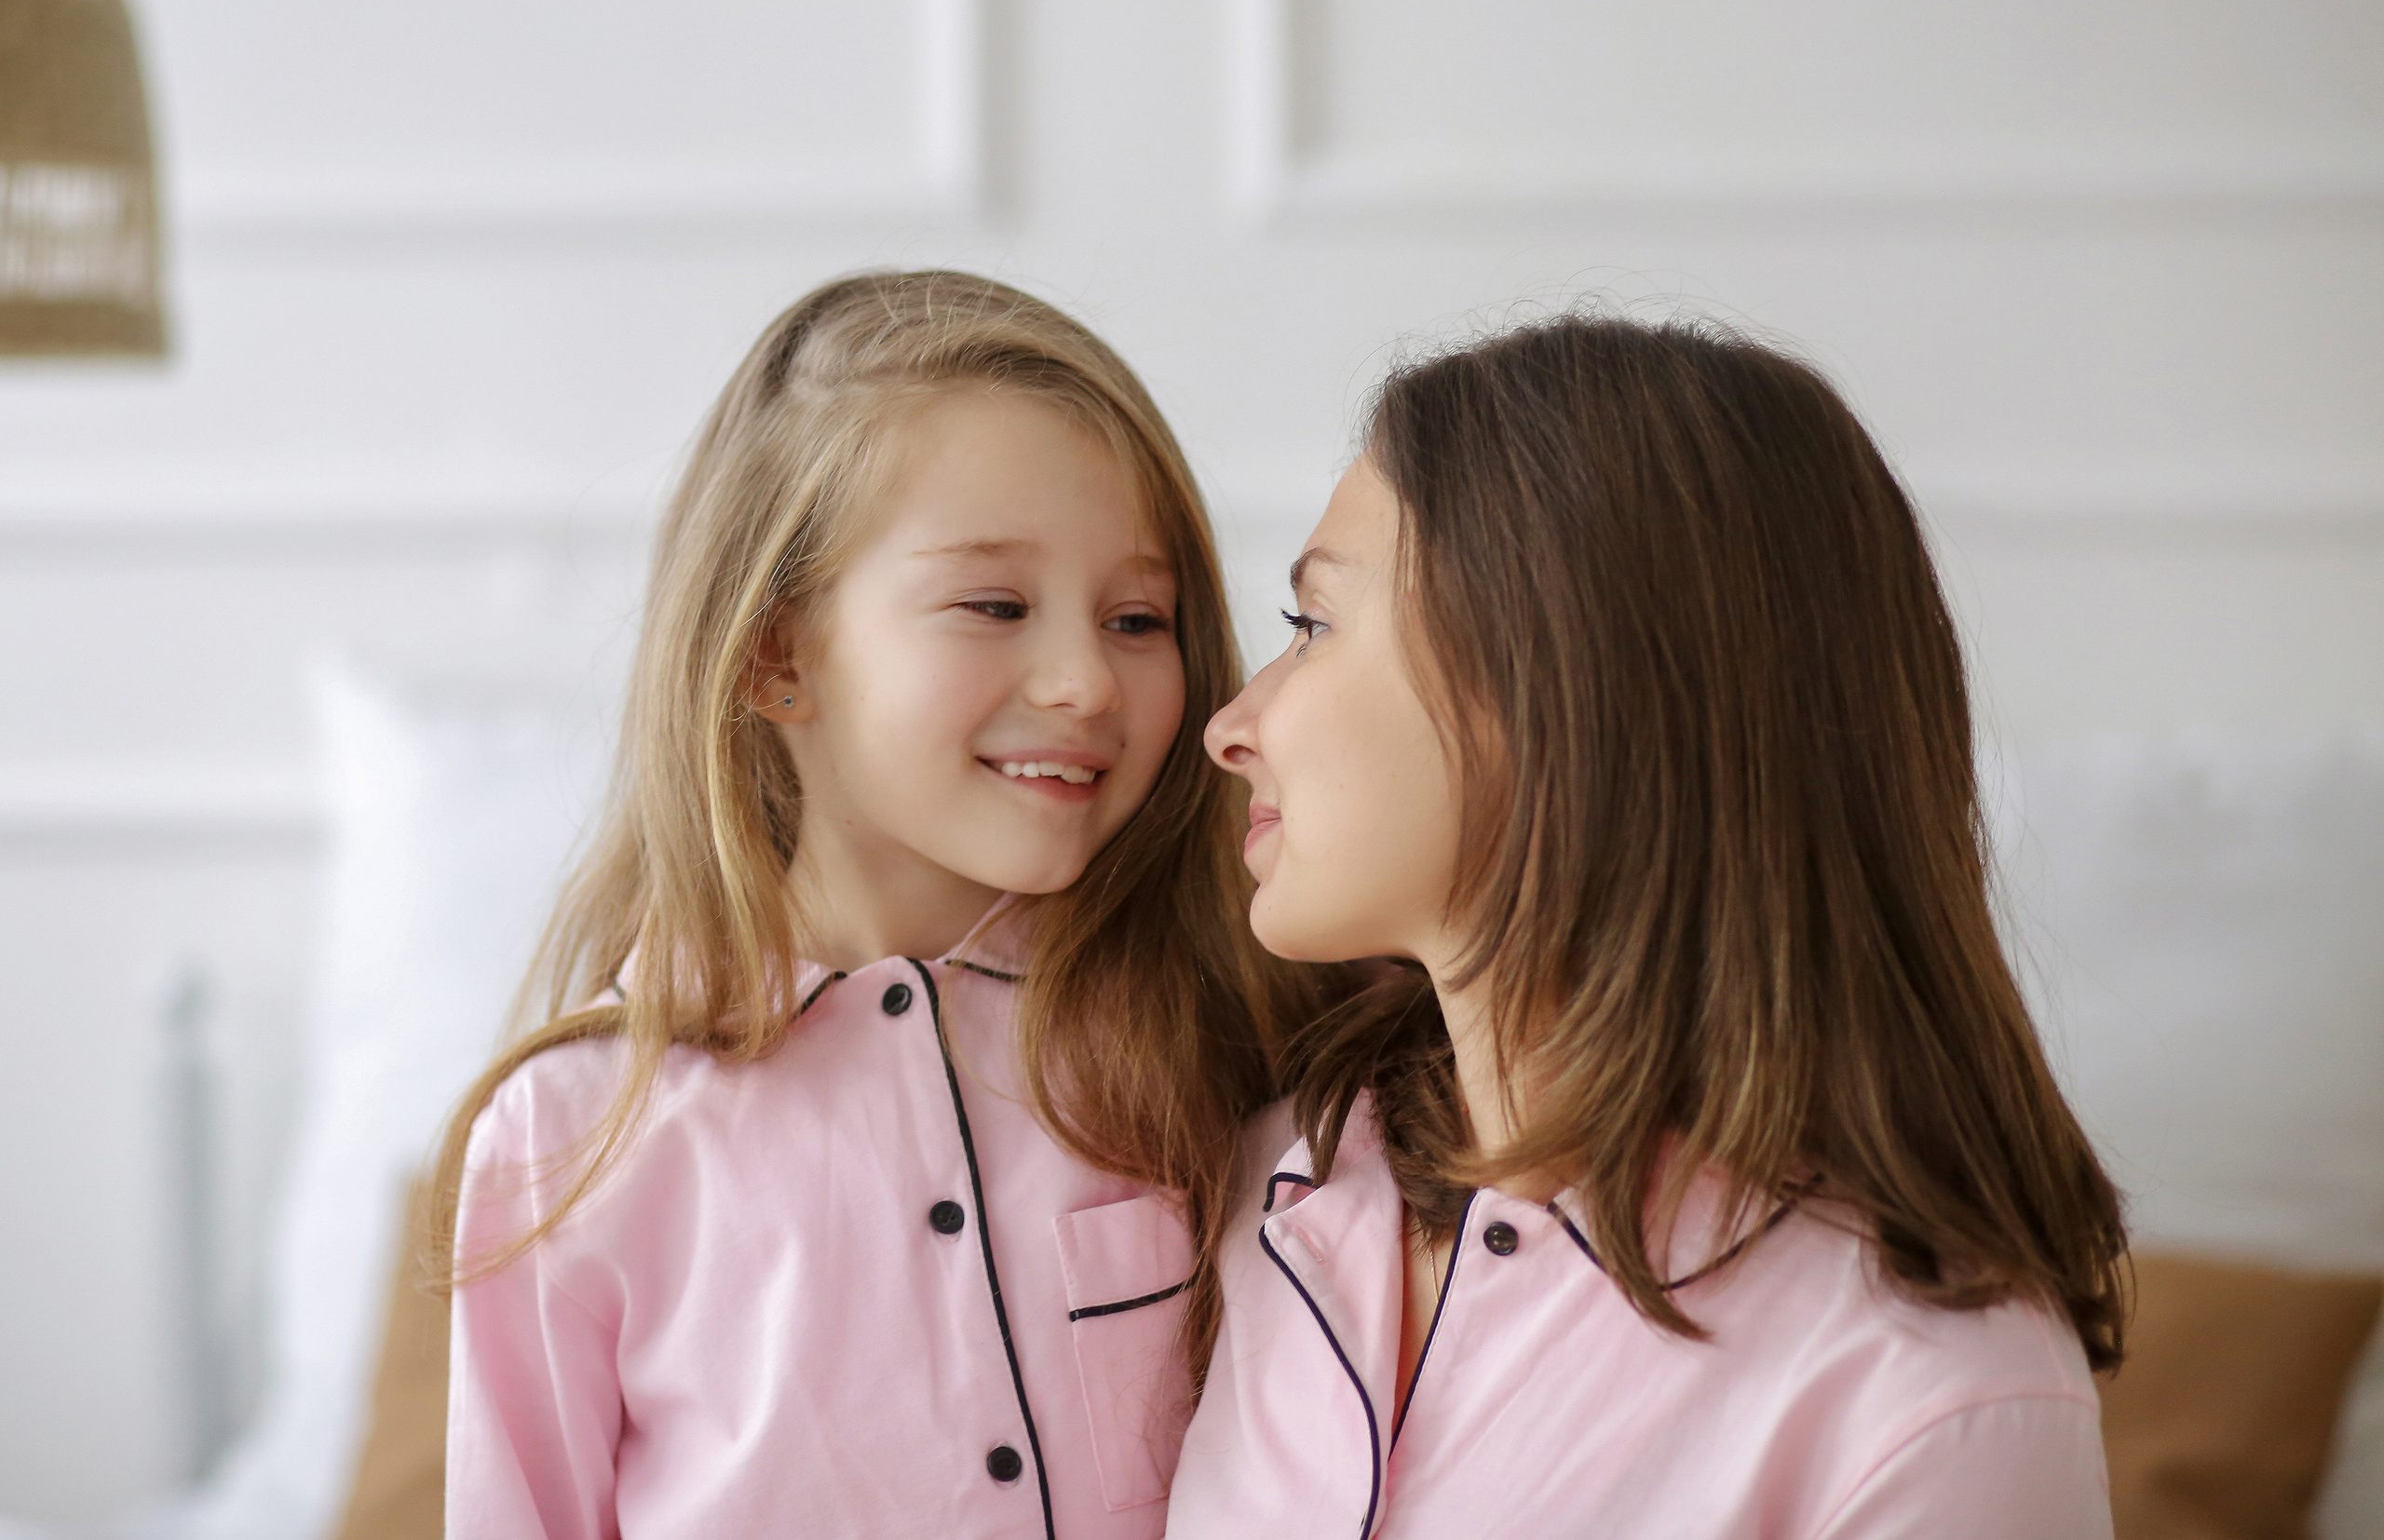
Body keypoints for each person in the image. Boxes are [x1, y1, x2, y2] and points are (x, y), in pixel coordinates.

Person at [1169, 314, 2128, 1538]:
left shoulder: (1933, 1402)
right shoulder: (1266, 1183)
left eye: (1313, 627)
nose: (1232, 725)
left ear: (1551, 686)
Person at [431, 270, 1310, 1539]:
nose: (1084, 681)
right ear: (777, 657)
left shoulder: (1214, 1043)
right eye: (995, 606)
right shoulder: (573, 1136)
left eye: (1138, 617)